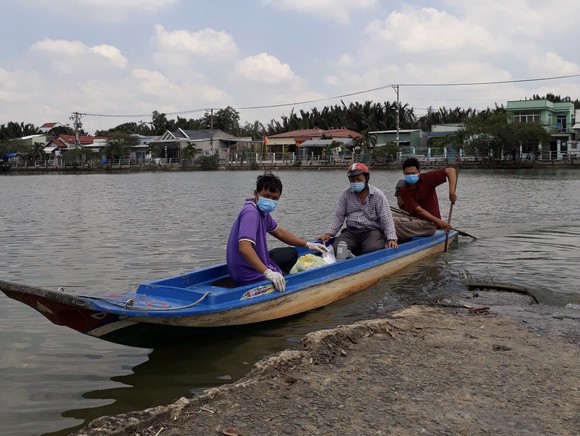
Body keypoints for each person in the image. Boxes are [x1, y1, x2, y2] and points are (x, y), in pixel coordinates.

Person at [226, 171, 328, 292]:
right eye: (266, 196)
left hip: (250, 267)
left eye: (275, 198)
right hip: (247, 274)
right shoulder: (251, 213)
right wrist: (268, 272)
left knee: (291, 253)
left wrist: (308, 244)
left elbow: (280, 233)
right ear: (256, 193)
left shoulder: (262, 212)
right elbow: (244, 248)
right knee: (288, 278)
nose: (270, 200)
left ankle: (279, 274)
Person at [319, 163, 398, 255]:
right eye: (353, 180)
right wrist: (329, 233)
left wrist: (391, 238)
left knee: (372, 249)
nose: (356, 183)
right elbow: (338, 216)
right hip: (351, 232)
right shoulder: (345, 194)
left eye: (359, 180)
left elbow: (386, 219)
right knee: (337, 249)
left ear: (366, 179)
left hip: (371, 231)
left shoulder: (378, 195)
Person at [393, 157, 457, 242]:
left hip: (429, 224)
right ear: (404, 174)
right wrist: (440, 222)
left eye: (413, 173)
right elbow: (418, 210)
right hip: (415, 219)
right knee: (386, 215)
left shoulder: (427, 178)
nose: (410, 176)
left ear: (419, 172)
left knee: (391, 221)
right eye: (408, 174)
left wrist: (451, 192)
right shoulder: (404, 190)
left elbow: (451, 171)